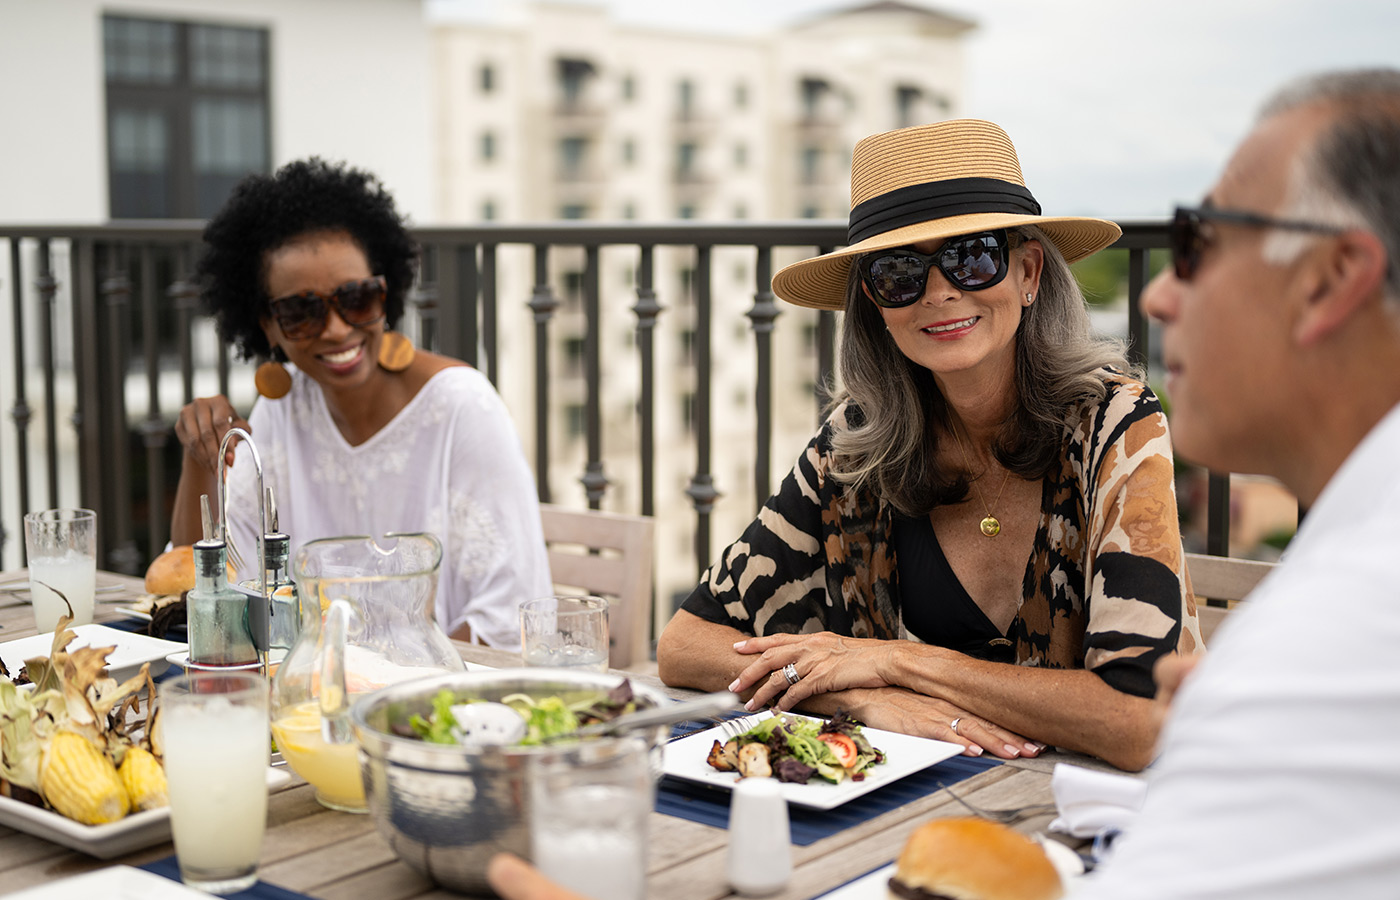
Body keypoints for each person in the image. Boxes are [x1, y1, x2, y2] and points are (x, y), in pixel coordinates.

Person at [657, 119, 1201, 772]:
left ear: (1028, 272)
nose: (941, 290)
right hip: (899, 806)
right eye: (899, 271)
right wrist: (854, 698)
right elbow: (685, 645)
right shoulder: (854, 450)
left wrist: (897, 661)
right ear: (875, 303)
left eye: (973, 255)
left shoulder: (1115, 422)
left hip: (1095, 817)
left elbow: (1138, 720)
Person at [1072, 68, 1400, 899]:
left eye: (1197, 246)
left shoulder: (1341, 632)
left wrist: (1245, 724)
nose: (1156, 292)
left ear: (1327, 279)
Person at [171, 158, 551, 648]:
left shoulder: (463, 408)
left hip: (436, 706)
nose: (336, 329)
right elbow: (204, 589)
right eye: (300, 312)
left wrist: (382, 685)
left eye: (356, 299)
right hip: (310, 703)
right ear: (265, 325)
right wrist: (198, 455)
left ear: (385, 293)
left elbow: (511, 616)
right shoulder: (281, 411)